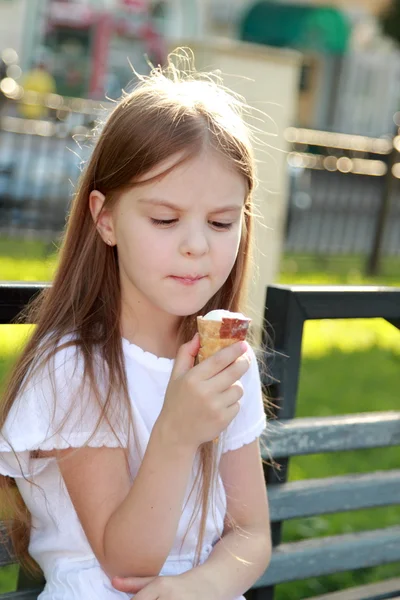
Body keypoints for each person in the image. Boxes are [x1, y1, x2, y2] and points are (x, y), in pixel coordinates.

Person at [0, 49, 271, 599]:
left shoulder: (222, 359)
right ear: (105, 218)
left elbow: (251, 532)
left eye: (222, 222)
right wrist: (175, 433)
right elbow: (127, 564)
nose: (196, 245)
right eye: (165, 219)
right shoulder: (75, 370)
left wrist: (199, 587)